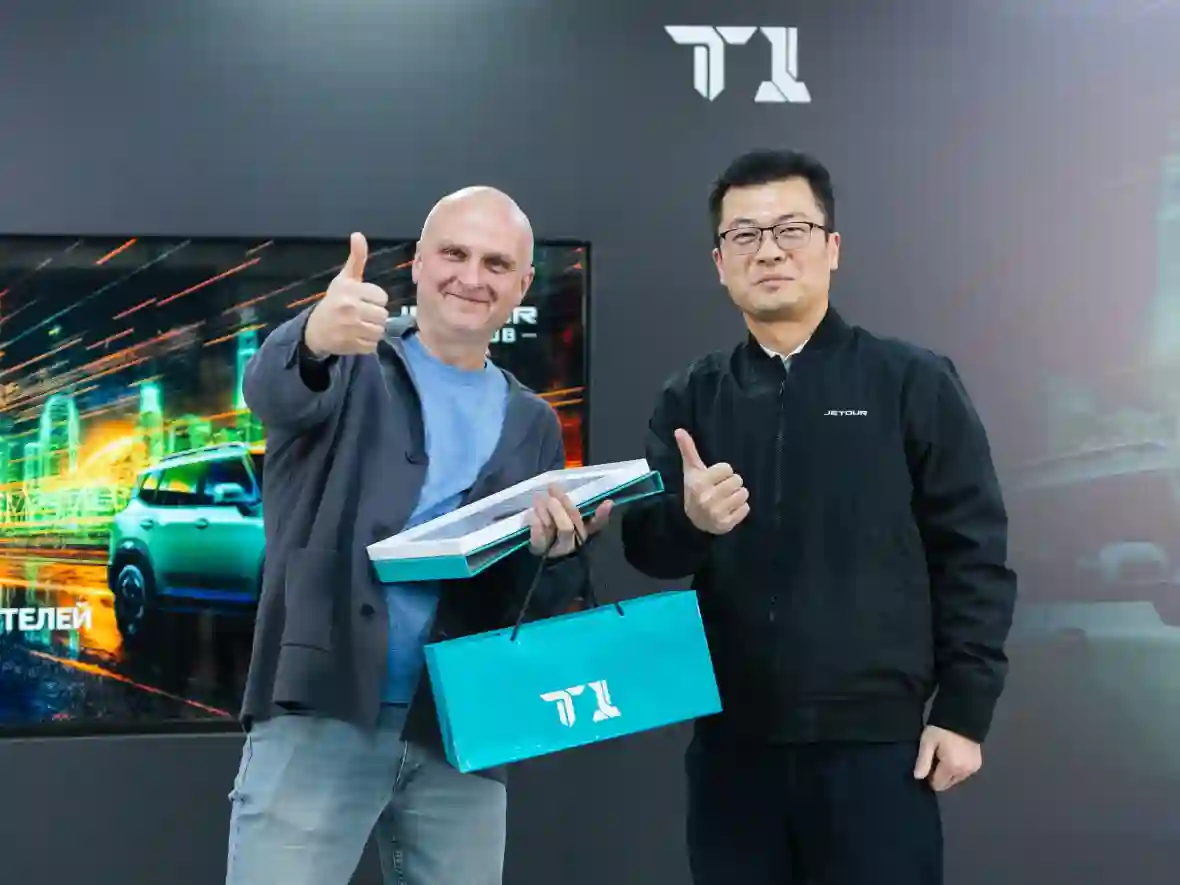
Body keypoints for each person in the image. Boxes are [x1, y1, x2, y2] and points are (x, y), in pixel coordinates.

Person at [620, 149, 1017, 885]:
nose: (769, 251)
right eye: (744, 235)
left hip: (878, 747)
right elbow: (647, 548)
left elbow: (973, 554)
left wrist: (964, 711)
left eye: (791, 229)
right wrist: (691, 522)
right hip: (733, 746)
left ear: (832, 247)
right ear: (720, 262)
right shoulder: (692, 396)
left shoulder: (910, 380)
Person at [224, 186, 611, 885]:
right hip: (321, 707)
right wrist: (312, 336)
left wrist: (556, 553)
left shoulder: (533, 423)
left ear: (523, 284)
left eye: (496, 263)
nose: (472, 276)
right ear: (419, 264)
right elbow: (272, 390)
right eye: (455, 254)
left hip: (458, 729)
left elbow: (524, 601)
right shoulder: (346, 359)